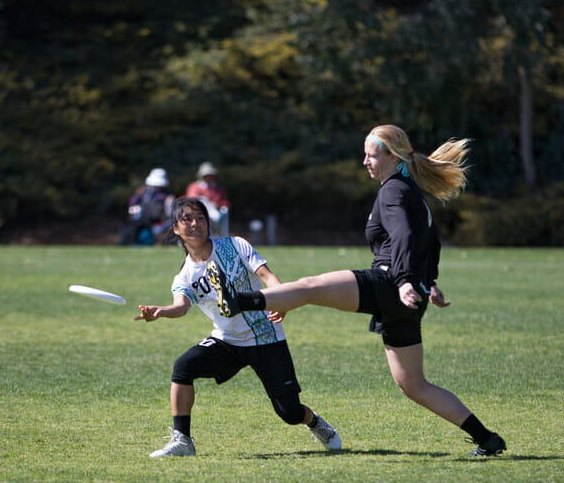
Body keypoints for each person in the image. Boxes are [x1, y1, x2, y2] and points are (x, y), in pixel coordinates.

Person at [207, 124, 507, 457]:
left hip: (390, 283)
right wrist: (427, 282)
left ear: (393, 157)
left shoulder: (393, 190)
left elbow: (405, 237)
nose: (365, 161)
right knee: (414, 385)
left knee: (308, 288)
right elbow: (429, 241)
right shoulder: (409, 190)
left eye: (372, 155)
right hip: (407, 294)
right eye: (364, 154)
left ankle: (238, 301)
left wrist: (406, 279)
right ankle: (486, 439)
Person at [134, 197, 341, 457]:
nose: (195, 223)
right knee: (183, 367)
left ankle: (315, 422)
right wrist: (161, 312)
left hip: (267, 337)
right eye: (187, 219)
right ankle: (183, 440)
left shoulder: (235, 246)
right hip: (227, 341)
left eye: (200, 218)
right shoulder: (185, 275)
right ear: (175, 228)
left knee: (289, 413)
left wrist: (281, 299)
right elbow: (181, 306)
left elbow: (267, 277)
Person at [118, 168, 176, 245]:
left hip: (157, 222)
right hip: (141, 220)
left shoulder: (166, 195)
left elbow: (167, 213)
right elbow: (133, 207)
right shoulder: (143, 192)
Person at [185, 161, 230, 237]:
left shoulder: (218, 188)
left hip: (217, 213)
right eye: (206, 175)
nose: (208, 177)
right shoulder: (195, 186)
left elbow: (225, 203)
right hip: (199, 212)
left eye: (210, 175)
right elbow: (192, 200)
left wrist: (216, 205)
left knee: (224, 212)